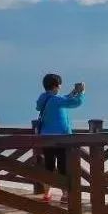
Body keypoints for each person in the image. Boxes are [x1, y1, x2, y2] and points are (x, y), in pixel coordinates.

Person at [35, 73, 85, 203]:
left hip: (46, 138)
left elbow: (64, 98)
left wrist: (73, 92)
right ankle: (65, 195)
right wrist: (81, 93)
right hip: (61, 139)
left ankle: (46, 194)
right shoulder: (56, 100)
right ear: (56, 85)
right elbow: (74, 103)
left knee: (49, 166)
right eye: (60, 85)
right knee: (63, 167)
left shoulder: (45, 98)